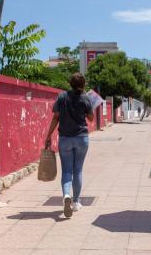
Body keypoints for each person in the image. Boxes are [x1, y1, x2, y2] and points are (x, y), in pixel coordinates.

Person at [45, 73, 94, 218]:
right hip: (81, 138)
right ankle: (76, 202)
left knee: (66, 171)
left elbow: (55, 117)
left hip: (65, 138)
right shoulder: (86, 98)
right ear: (83, 84)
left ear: (70, 83)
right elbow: (91, 118)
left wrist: (48, 135)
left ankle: (66, 195)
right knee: (77, 170)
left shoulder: (61, 97)